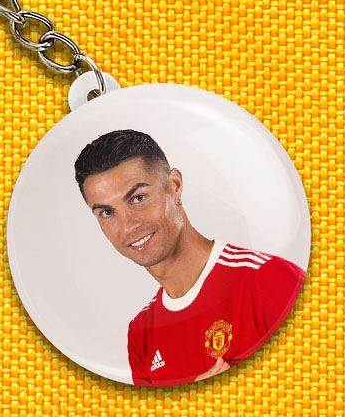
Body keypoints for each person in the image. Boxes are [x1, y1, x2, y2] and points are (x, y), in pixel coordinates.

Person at [74, 129, 305, 386]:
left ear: (175, 186)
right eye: (107, 213)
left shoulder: (267, 280)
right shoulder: (141, 333)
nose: (128, 226)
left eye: (138, 198)